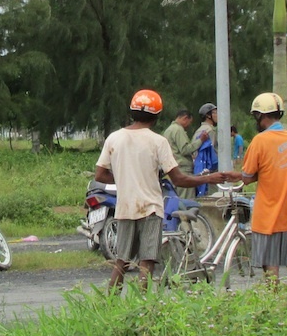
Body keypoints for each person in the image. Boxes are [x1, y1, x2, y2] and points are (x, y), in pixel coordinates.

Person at [94, 89, 233, 289]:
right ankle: (143, 304)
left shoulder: (114, 138)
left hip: (125, 207)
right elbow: (179, 179)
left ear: (132, 112)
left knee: (121, 261)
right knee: (147, 260)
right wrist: (209, 177)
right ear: (156, 116)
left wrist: (126, 180)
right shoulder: (158, 142)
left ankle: (110, 304)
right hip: (150, 208)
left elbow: (100, 175)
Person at [238, 93, 287, 284]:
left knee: (270, 264)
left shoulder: (260, 141)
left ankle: (274, 303)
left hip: (266, 214)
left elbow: (247, 176)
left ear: (261, 115)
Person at [161, 108, 202, 198]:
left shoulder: (168, 130)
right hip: (183, 170)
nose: (188, 125)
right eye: (189, 122)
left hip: (173, 169)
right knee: (187, 200)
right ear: (185, 118)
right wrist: (200, 141)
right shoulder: (178, 130)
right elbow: (185, 149)